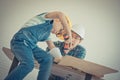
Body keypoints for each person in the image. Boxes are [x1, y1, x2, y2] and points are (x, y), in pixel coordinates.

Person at [4, 11, 72, 80]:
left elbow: (52, 46)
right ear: (58, 20)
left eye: (58, 34)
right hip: (20, 41)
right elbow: (60, 14)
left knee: (48, 58)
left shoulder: (47, 35)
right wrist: (68, 32)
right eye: (60, 30)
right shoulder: (45, 18)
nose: (57, 33)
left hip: (31, 46)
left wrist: (61, 59)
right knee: (28, 65)